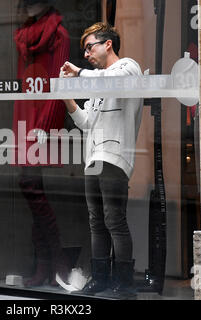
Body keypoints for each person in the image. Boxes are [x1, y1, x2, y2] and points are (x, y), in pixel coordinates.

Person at [60, 22, 143, 298]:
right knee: (97, 221)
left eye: (89, 46)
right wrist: (68, 99)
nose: (86, 53)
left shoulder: (128, 67)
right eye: (84, 49)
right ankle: (101, 280)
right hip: (93, 157)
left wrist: (81, 73)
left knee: (114, 220)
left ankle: (124, 283)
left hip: (115, 156)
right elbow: (86, 123)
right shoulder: (98, 79)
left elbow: (113, 81)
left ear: (108, 44)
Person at [13, 0, 71, 287]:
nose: (25, 6)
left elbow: (59, 82)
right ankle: (46, 264)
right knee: (32, 186)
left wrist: (46, 125)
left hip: (43, 117)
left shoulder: (59, 34)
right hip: (26, 112)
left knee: (31, 185)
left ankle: (55, 259)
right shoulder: (24, 34)